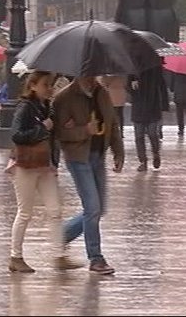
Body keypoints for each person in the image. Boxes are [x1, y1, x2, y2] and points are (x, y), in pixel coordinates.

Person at [8, 71, 81, 273]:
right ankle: (16, 257)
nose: (49, 88)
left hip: (45, 165)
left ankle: (59, 256)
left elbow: (53, 135)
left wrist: (63, 127)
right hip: (26, 165)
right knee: (25, 212)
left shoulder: (47, 107)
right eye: (45, 84)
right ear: (33, 86)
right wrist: (42, 127)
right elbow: (16, 135)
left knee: (55, 210)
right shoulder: (25, 107)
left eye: (50, 84)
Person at [53, 76, 124, 275]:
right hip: (78, 158)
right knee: (92, 208)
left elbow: (112, 123)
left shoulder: (101, 93)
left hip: (98, 156)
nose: (93, 76)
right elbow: (59, 134)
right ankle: (96, 258)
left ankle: (62, 234)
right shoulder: (65, 98)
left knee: (99, 210)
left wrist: (118, 152)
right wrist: (85, 130)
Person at [129, 66, 169, 171]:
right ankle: (143, 161)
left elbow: (162, 86)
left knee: (152, 133)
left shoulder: (155, 67)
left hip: (153, 106)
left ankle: (156, 154)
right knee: (139, 136)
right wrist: (132, 86)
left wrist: (164, 104)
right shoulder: (133, 68)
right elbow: (128, 86)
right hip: (138, 106)